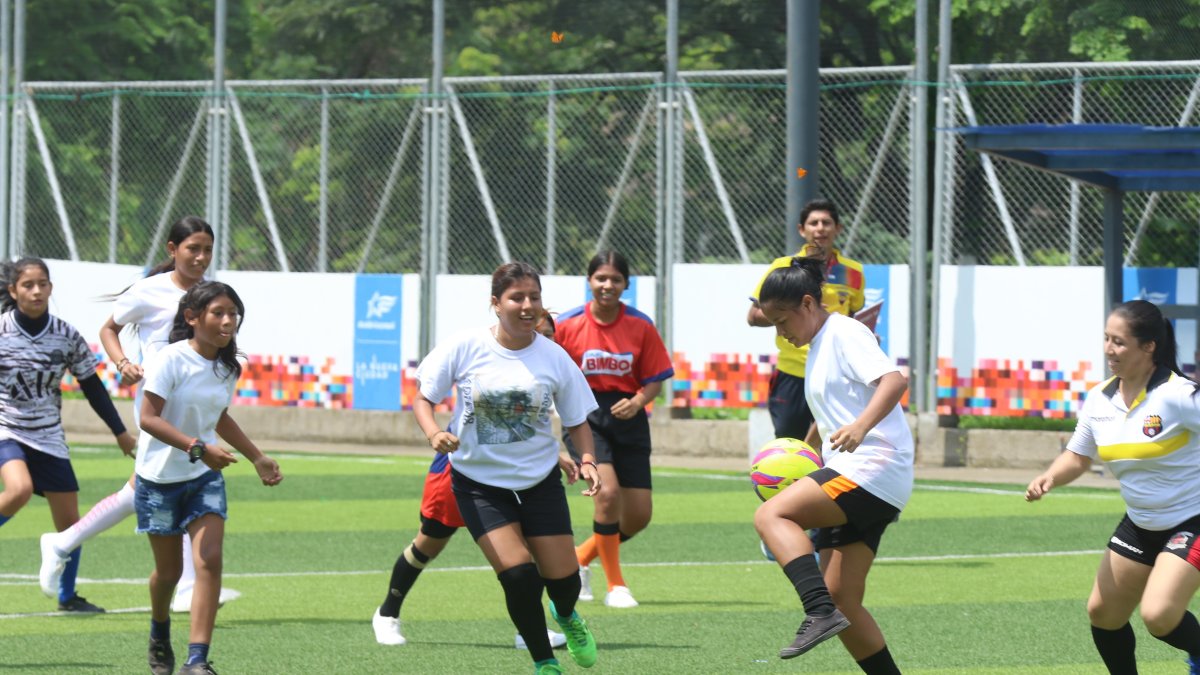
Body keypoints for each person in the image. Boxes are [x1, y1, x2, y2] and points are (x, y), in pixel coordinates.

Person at [38, 216, 242, 612]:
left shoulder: (209, 296)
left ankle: (64, 542)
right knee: (174, 481)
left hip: (192, 407)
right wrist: (123, 363)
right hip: (158, 406)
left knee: (156, 487)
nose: (200, 257)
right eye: (192, 249)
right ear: (172, 250)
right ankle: (180, 584)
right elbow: (109, 329)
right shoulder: (149, 291)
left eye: (207, 250)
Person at [413, 262, 601, 675]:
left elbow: (577, 421)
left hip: (539, 483)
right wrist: (432, 434)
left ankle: (567, 615)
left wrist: (587, 459)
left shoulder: (554, 356)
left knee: (564, 579)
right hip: (479, 485)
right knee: (518, 576)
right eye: (517, 298)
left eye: (534, 297)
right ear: (496, 304)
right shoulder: (464, 346)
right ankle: (545, 663)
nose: (527, 305)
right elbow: (423, 398)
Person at [372, 310, 567, 651]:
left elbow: (528, 430)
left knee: (526, 553)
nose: (544, 339)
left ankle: (529, 630)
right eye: (540, 331)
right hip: (461, 469)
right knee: (429, 543)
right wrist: (435, 433)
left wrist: (555, 455)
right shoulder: (488, 352)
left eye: (550, 334)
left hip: (514, 477)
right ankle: (388, 613)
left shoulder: (547, 364)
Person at [753, 257, 910, 674]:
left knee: (771, 513)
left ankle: (816, 612)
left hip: (872, 467)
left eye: (783, 321)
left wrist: (860, 426)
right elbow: (832, 418)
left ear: (807, 304)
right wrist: (803, 455)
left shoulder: (844, 331)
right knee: (843, 600)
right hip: (862, 474)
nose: (781, 334)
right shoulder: (819, 345)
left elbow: (894, 381)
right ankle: (829, 612)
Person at [1026, 299, 1200, 675]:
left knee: (1158, 615)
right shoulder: (1099, 399)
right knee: (1103, 613)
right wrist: (1050, 477)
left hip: (1191, 520)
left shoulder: (1179, 395)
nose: (1108, 349)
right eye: (1106, 339)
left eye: (1118, 342)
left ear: (1149, 346)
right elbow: (1078, 456)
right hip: (1140, 523)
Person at [136, 281, 283, 675]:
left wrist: (257, 457)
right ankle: (159, 630)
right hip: (158, 481)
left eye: (233, 314)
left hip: (203, 477)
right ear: (192, 318)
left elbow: (218, 415)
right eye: (218, 313)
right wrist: (199, 447)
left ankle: (196, 660)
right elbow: (148, 419)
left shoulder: (227, 366)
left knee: (210, 560)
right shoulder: (170, 359)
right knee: (167, 574)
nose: (227, 320)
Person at [0, 257, 137, 613]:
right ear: (13, 291)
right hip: (7, 429)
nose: (36, 291)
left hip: (48, 438)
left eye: (42, 284)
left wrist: (120, 432)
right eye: (28, 285)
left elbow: (91, 386)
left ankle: (67, 596)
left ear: (50, 288)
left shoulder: (66, 335)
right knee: (19, 489)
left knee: (70, 525)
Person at [747, 198, 865, 561]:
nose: (820, 229)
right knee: (789, 455)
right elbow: (754, 315)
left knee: (829, 454)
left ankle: (817, 536)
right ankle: (779, 525)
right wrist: (788, 314)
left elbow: (858, 318)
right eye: (813, 223)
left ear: (837, 229)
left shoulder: (854, 273)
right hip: (792, 376)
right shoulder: (783, 268)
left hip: (834, 376)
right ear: (802, 230)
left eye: (827, 222)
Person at [555, 251, 673, 608]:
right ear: (589, 281)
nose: (607, 285)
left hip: (630, 418)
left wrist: (639, 401)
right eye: (601, 278)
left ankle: (578, 560)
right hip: (586, 419)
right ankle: (616, 586)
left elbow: (655, 378)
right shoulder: (569, 325)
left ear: (626, 284)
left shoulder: (640, 325)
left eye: (615, 279)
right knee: (607, 495)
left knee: (638, 515)